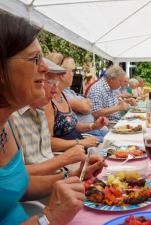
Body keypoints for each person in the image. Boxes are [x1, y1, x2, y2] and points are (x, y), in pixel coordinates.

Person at [0, 12, 105, 225]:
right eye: (34, 59)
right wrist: (49, 219)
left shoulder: (6, 123)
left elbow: (18, 186)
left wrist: (74, 176)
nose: (45, 68)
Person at [13, 58, 86, 175]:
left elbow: (47, 159)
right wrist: (65, 159)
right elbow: (17, 178)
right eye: (51, 83)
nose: (55, 90)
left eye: (56, 84)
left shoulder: (40, 111)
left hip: (55, 179)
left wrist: (76, 174)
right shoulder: (11, 119)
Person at [44, 55, 108, 152]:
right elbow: (48, 143)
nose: (73, 75)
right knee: (111, 151)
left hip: (80, 149)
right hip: (70, 158)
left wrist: (94, 126)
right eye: (71, 71)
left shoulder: (62, 95)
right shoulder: (47, 101)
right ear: (61, 74)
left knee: (113, 149)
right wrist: (81, 142)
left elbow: (76, 125)